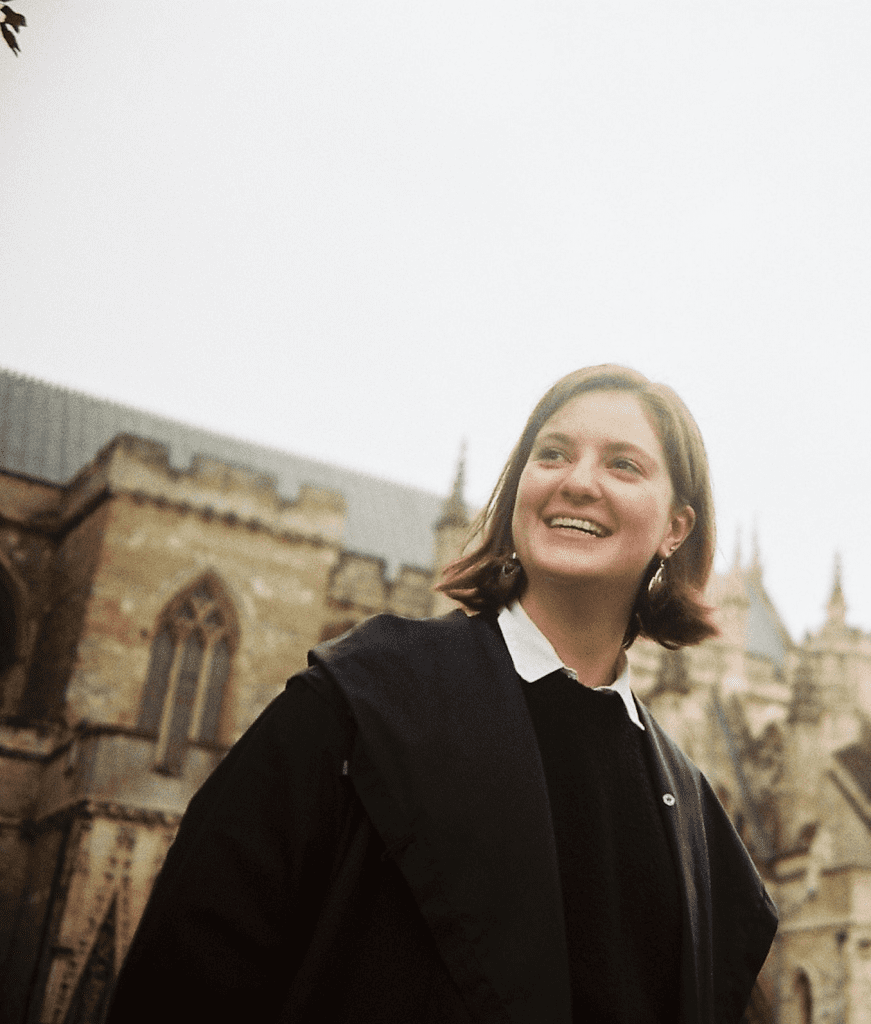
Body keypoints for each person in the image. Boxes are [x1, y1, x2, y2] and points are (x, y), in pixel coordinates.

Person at [106, 365, 777, 1024]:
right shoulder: (360, 700)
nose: (577, 481)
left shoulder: (702, 835)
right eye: (551, 455)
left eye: (622, 465)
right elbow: (183, 978)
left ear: (674, 529)